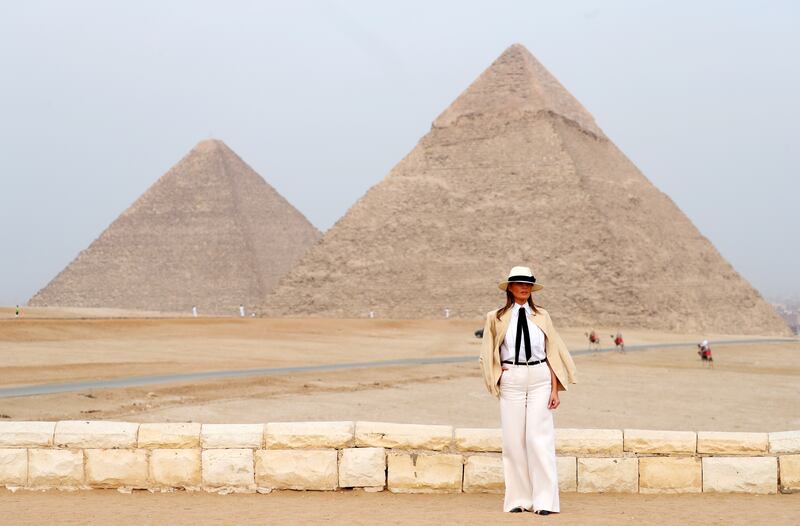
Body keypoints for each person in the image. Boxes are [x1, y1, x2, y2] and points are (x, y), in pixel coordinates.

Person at [479, 266, 577, 515]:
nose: (525, 287)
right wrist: (498, 375)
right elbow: (487, 352)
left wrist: (555, 390)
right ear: (510, 287)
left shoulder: (542, 315)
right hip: (512, 378)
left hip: (540, 379)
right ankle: (518, 500)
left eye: (529, 284)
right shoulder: (495, 317)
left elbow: (551, 352)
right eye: (520, 283)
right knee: (513, 441)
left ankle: (545, 501)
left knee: (538, 439)